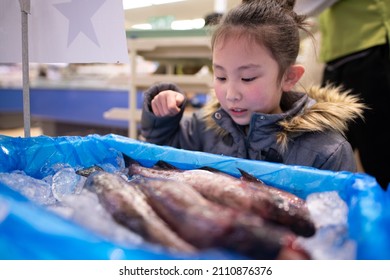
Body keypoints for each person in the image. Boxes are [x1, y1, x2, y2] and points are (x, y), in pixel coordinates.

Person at [140, 0, 365, 173]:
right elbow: (160, 156)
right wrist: (163, 119)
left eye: (247, 78)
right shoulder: (205, 129)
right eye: (220, 76)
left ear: (289, 77)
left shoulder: (325, 152)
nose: (231, 95)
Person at [298, 0, 390, 190]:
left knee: (379, 154)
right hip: (338, 57)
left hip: (370, 47)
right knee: (327, 151)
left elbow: (304, 6)